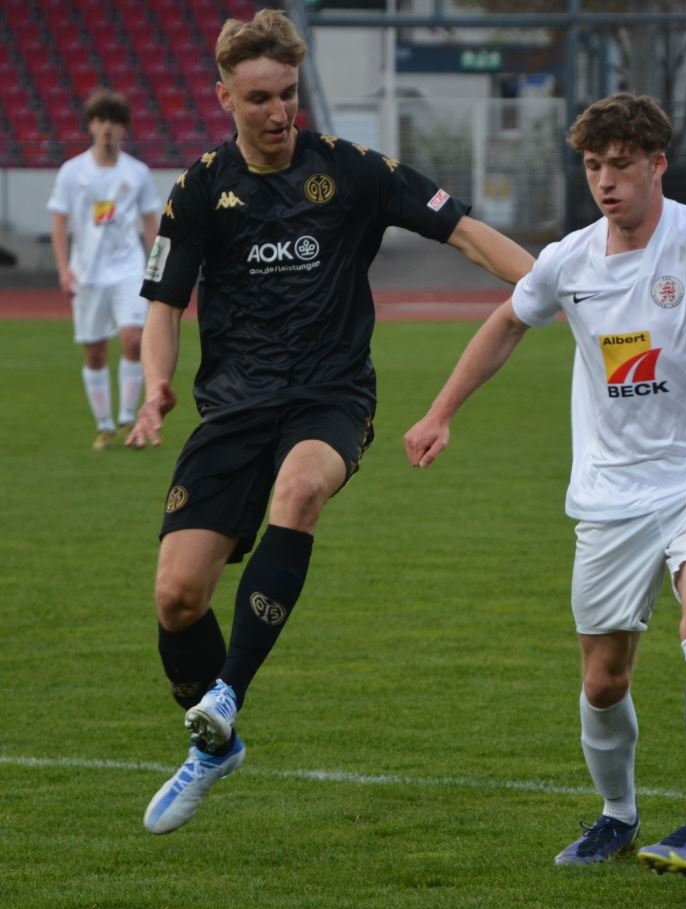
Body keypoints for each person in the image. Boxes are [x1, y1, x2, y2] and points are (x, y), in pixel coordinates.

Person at [404, 93, 686, 875]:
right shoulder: (568, 259)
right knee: (604, 680)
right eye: (593, 166)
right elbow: (507, 322)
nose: (605, 180)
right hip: (611, 493)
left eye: (621, 165)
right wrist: (440, 412)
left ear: (656, 165)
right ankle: (616, 815)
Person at [129, 8, 534, 835]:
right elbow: (165, 304)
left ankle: (227, 695)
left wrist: (558, 284)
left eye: (288, 94)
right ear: (224, 99)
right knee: (176, 598)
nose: (279, 112)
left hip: (329, 396)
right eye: (259, 99)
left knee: (301, 489)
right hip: (234, 408)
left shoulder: (351, 169)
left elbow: (464, 233)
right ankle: (215, 747)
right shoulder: (200, 189)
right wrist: (155, 387)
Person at [48, 89, 161, 450]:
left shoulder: (137, 172)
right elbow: (59, 220)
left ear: (124, 127)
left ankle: (128, 419)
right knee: (95, 351)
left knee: (133, 339)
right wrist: (64, 268)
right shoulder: (73, 172)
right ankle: (105, 425)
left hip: (129, 269)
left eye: (114, 120)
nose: (107, 127)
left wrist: (156, 267)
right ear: (91, 126)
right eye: (100, 120)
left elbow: (150, 222)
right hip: (88, 273)